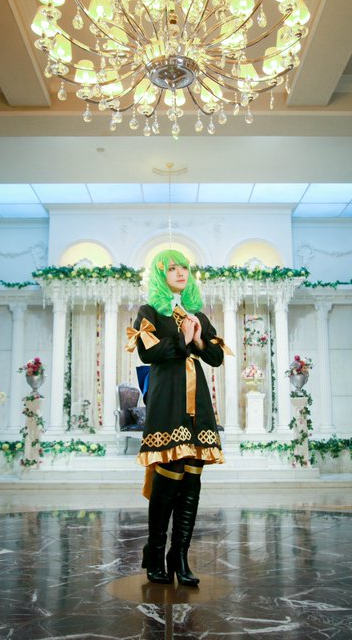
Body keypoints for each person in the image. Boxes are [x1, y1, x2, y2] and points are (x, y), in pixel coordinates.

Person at [126, 249, 229, 587]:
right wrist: (181, 339)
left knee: (193, 477)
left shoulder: (196, 314)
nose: (180, 273)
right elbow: (147, 352)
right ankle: (155, 551)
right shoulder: (150, 312)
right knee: (169, 475)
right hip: (167, 399)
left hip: (197, 403)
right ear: (160, 275)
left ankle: (179, 555)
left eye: (183, 267)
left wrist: (197, 338)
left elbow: (215, 357)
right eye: (172, 268)